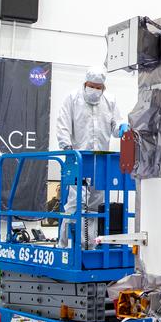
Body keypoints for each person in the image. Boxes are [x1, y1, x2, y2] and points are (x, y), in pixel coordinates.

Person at [56, 68, 126, 219]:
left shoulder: (110, 100)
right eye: (91, 86)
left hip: (101, 160)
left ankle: (92, 242)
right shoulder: (72, 98)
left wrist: (121, 128)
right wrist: (67, 149)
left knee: (97, 203)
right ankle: (67, 242)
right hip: (79, 159)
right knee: (76, 203)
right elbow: (63, 124)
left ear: (103, 88)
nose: (94, 90)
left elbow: (116, 126)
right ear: (85, 83)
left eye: (98, 87)